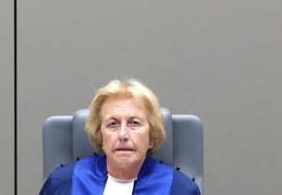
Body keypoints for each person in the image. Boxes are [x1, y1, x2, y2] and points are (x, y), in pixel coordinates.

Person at [39, 78, 201, 195]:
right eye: (113, 124)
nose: (123, 134)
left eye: (134, 123)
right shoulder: (64, 184)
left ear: (151, 136)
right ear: (100, 135)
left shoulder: (180, 189)